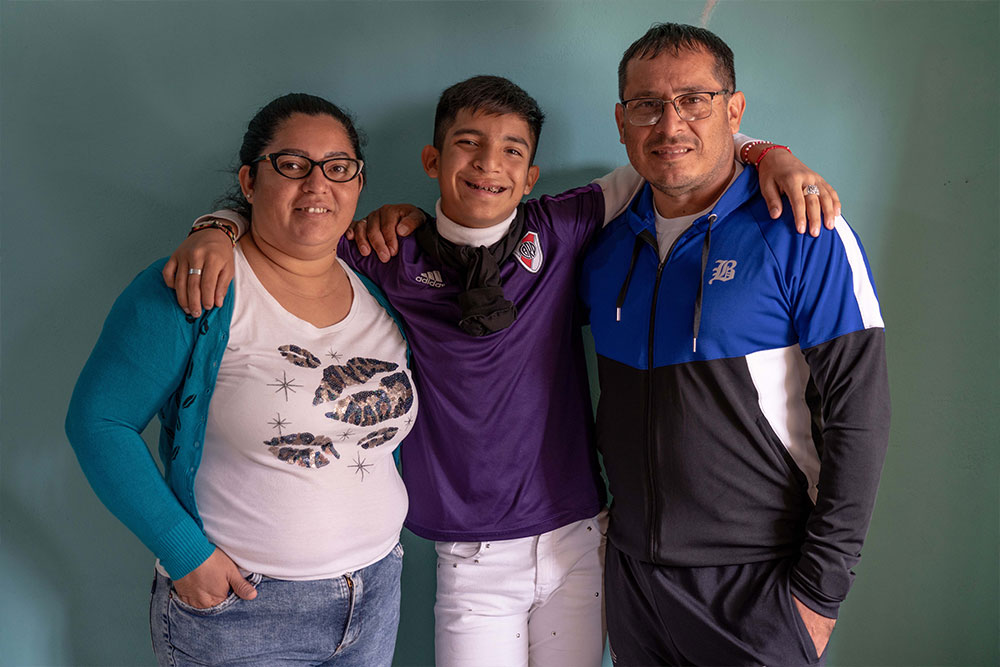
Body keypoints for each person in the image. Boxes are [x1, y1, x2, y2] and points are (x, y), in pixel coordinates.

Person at [166, 76, 839, 667]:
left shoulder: (565, 225)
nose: (488, 164)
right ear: (432, 159)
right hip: (471, 555)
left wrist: (769, 153)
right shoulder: (386, 251)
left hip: (579, 536)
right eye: (467, 144)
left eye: (511, 151)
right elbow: (294, 222)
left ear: (529, 175)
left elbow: (669, 155)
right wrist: (215, 224)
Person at [65, 93, 417, 667]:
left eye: (338, 167)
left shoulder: (380, 281)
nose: (317, 184)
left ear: (357, 183)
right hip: (243, 610)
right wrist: (187, 556)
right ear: (249, 181)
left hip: (375, 591)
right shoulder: (194, 285)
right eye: (292, 164)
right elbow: (98, 423)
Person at [579, 23, 890, 666]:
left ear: (735, 110)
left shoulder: (806, 229)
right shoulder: (603, 242)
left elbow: (861, 416)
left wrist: (819, 595)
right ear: (621, 120)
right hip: (634, 581)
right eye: (647, 105)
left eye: (695, 99)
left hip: (760, 590)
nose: (671, 125)